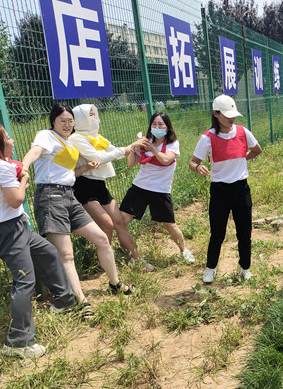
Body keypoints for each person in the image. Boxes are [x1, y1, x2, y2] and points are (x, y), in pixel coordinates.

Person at [0, 123, 77, 358]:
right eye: (7, 138)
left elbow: (7, 171)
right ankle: (18, 342)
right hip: (8, 230)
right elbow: (16, 200)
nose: (12, 140)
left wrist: (15, 169)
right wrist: (24, 178)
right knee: (25, 281)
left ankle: (64, 300)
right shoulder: (1, 169)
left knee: (47, 252)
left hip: (9, 226)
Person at [22, 103, 134, 317]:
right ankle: (81, 302)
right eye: (62, 120)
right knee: (66, 255)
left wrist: (85, 168)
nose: (67, 124)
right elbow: (34, 152)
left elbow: (69, 173)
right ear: (53, 121)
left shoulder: (68, 142)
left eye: (70, 121)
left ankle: (115, 283)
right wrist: (24, 167)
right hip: (50, 197)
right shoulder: (46, 136)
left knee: (101, 239)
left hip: (68, 195)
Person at [69, 104, 154, 271]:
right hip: (84, 186)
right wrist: (127, 148)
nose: (95, 118)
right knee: (107, 224)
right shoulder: (76, 138)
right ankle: (107, 263)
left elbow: (116, 151)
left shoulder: (99, 138)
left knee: (119, 222)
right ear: (81, 118)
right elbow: (98, 157)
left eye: (95, 114)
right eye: (90, 115)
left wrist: (132, 148)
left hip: (99, 185)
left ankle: (136, 259)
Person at [190, 95, 262, 283]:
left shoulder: (243, 132)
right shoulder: (207, 138)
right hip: (220, 191)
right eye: (227, 115)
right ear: (216, 114)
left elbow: (257, 150)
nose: (232, 118)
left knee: (244, 232)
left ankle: (245, 268)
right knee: (217, 233)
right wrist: (198, 167)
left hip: (241, 189)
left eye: (233, 115)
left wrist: (241, 159)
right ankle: (210, 268)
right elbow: (193, 161)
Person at [119, 112, 195, 264]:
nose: (157, 127)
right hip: (139, 187)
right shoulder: (146, 141)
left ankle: (184, 250)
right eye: (154, 124)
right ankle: (133, 257)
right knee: (121, 221)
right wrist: (134, 148)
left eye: (161, 124)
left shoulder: (173, 144)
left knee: (169, 224)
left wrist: (152, 149)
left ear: (168, 127)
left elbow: (166, 160)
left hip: (160, 190)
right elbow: (131, 163)